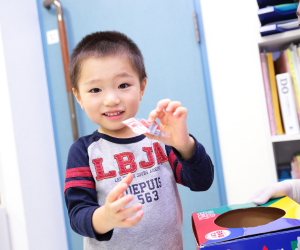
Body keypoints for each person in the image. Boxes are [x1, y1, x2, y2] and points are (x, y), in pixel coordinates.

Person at [64, 31, 214, 250]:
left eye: (123, 85)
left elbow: (202, 182)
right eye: (95, 89)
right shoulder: (84, 151)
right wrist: (104, 217)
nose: (111, 99)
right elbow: (77, 214)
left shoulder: (158, 136)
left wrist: (183, 144)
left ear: (142, 87)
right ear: (79, 97)